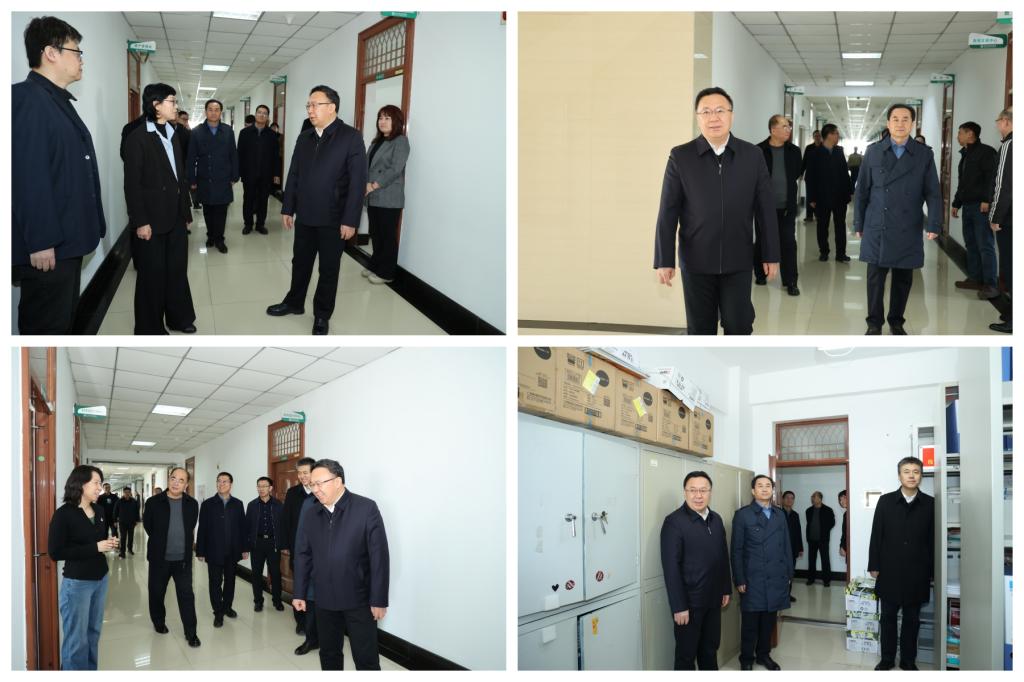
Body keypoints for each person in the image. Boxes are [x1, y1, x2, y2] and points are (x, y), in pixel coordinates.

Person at [654, 86, 779, 335]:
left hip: (738, 258)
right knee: (701, 329)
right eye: (706, 112)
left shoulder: (752, 155)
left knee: (739, 325)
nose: (714, 118)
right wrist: (664, 259)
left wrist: (771, 254)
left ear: (731, 115)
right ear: (697, 117)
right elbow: (668, 211)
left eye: (720, 110)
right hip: (696, 261)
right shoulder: (681, 157)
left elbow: (765, 209)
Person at [13, 16, 106, 334]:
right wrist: (40, 241)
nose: (81, 59)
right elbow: (27, 176)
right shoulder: (27, 99)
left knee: (62, 320)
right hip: (49, 248)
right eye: (76, 51)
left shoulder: (56, 100)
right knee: (46, 326)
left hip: (67, 240)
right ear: (51, 53)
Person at [267, 85, 368, 335]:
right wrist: (288, 207)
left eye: (315, 105)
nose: (310, 110)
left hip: (334, 218)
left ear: (331, 107)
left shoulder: (351, 137)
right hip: (305, 215)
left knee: (328, 269)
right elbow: (294, 173)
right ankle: (294, 302)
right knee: (300, 262)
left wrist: (350, 220)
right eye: (308, 105)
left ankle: (322, 314)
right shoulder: (305, 137)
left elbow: (357, 183)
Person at [293, 459, 390, 670]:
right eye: (312, 484)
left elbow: (379, 557)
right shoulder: (311, 513)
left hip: (359, 599)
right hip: (324, 598)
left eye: (320, 483)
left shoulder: (365, 508)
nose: (315, 489)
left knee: (366, 658)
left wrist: (379, 599)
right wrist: (299, 592)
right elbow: (303, 554)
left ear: (338, 481)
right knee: (329, 654)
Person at [854, 103, 942, 335]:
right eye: (895, 119)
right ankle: (874, 323)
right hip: (877, 224)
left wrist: (934, 223)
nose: (900, 123)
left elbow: (933, 192)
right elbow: (862, 191)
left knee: (903, 278)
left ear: (912, 124)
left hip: (908, 224)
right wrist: (858, 223)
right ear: (888, 123)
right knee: (875, 279)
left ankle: (896, 322)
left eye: (905, 119)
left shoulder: (924, 154)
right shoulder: (873, 151)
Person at [124, 82, 197, 335]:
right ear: (156, 105)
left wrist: (186, 211)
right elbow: (132, 185)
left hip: (175, 215)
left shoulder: (173, 133)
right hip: (151, 219)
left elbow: (179, 176)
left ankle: (179, 317)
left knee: (177, 270)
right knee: (152, 275)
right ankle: (149, 327)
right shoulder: (137, 138)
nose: (176, 106)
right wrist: (140, 221)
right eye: (172, 101)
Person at [660, 471, 731, 670]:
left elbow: (722, 557)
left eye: (703, 490)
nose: (698, 495)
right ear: (685, 492)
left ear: (710, 492)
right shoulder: (674, 522)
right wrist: (679, 606)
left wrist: (725, 588)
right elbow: (671, 568)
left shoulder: (716, 519)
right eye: (693, 490)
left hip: (713, 600)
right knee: (686, 656)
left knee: (710, 650)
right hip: (689, 604)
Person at [48, 465, 117, 670]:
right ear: (80, 484)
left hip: (100, 578)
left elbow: (97, 541)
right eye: (96, 483)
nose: (99, 488)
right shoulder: (63, 514)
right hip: (78, 584)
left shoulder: (99, 510)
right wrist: (95, 547)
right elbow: (56, 552)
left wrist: (108, 543)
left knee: (93, 633)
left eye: (100, 483)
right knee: (76, 640)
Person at [868, 457, 934, 671]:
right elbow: (876, 535)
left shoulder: (930, 504)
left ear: (921, 476)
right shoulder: (885, 501)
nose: (911, 475)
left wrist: (932, 570)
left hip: (917, 572)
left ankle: (908, 660)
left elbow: (933, 540)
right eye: (907, 471)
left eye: (916, 471)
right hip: (890, 570)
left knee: (912, 619)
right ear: (899, 475)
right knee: (887, 617)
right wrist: (874, 565)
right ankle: (887, 658)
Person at [730, 475, 791, 670]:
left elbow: (786, 547)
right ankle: (746, 659)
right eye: (760, 486)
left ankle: (763, 655)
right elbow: (736, 550)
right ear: (753, 491)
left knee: (768, 622)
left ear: (772, 490)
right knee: (750, 623)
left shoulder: (779, 514)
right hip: (752, 578)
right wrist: (739, 579)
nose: (764, 489)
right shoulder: (743, 515)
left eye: (768, 486)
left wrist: (788, 574)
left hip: (776, 577)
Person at [143, 467, 201, 647]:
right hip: (159, 559)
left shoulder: (192, 504)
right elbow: (148, 526)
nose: (176, 482)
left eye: (181, 480)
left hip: (183, 560)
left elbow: (190, 526)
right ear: (169, 479)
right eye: (173, 478)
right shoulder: (153, 502)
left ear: (186, 485)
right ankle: (158, 622)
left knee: (187, 596)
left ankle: (191, 633)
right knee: (156, 593)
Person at [951, 121, 1000, 299]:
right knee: (971, 243)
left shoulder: (986, 152)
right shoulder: (966, 154)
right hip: (968, 206)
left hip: (981, 207)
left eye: (960, 133)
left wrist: (987, 200)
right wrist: (956, 203)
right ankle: (975, 278)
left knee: (985, 245)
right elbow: (964, 183)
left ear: (970, 134)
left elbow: (992, 178)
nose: (958, 136)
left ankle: (991, 284)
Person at [755, 115, 802, 295]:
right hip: (763, 206)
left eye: (789, 126)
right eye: (784, 126)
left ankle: (791, 281)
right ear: (773, 129)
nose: (788, 129)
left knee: (788, 242)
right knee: (762, 240)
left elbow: (796, 173)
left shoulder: (794, 151)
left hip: (787, 206)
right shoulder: (758, 150)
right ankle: (760, 274)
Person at [364, 104, 411, 285]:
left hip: (388, 196)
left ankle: (386, 272)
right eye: (380, 118)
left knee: (387, 236)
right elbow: (368, 166)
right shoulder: (376, 141)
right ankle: (375, 265)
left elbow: (395, 169)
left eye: (387, 118)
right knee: (375, 234)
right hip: (372, 195)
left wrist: (374, 185)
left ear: (396, 121)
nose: (382, 122)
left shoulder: (401, 141)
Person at [186, 98, 239, 254]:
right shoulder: (197, 132)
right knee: (208, 210)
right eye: (210, 109)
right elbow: (191, 157)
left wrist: (234, 176)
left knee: (221, 210)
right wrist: (192, 179)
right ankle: (210, 235)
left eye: (216, 110)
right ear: (205, 112)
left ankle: (219, 239)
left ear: (220, 112)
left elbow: (233, 154)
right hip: (205, 177)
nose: (213, 112)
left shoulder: (228, 131)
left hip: (223, 177)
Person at [196, 472, 247, 628]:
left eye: (225, 481)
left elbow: (242, 528)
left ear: (231, 484)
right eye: (219, 481)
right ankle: (218, 612)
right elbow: (202, 528)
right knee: (215, 582)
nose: (221, 484)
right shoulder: (207, 504)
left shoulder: (238, 504)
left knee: (230, 582)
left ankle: (227, 607)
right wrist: (200, 551)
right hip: (213, 551)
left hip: (233, 551)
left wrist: (244, 548)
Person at [806, 123, 854, 262]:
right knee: (822, 226)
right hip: (822, 197)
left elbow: (845, 174)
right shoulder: (815, 154)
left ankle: (841, 253)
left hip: (839, 197)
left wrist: (849, 192)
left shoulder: (839, 152)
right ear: (829, 135)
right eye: (836, 133)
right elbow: (810, 178)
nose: (838, 136)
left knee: (840, 226)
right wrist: (811, 198)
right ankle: (824, 251)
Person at [282, 457, 317, 639]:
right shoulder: (293, 493)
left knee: (316, 588)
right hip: (298, 549)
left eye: (305, 472)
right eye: (299, 473)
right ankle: (300, 622)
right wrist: (286, 545)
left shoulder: (320, 492)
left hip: (318, 550)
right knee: (300, 585)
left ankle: (315, 623)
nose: (302, 476)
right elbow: (286, 519)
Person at [237, 104, 281, 236]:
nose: (262, 115)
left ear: (268, 117)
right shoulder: (245, 133)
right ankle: (248, 224)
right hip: (249, 173)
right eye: (259, 112)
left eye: (265, 113)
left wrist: (276, 174)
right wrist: (238, 173)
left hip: (266, 174)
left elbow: (276, 156)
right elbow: (239, 154)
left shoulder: (272, 135)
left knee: (263, 200)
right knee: (248, 200)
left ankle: (260, 224)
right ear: (255, 114)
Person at [246, 476, 285, 612]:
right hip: (257, 543)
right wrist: (247, 545)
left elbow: (283, 525)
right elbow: (247, 526)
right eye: (259, 486)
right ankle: (258, 601)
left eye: (264, 486)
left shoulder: (278, 504)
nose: (261, 489)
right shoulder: (252, 505)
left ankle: (277, 600)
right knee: (256, 574)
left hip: (273, 543)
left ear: (270, 488)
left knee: (275, 573)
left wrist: (283, 543)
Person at [989, 108, 1013, 333]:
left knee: (1011, 267)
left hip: (1009, 218)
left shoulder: (1009, 145)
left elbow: (1002, 185)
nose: (997, 125)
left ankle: (1014, 320)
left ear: (1006, 122)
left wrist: (995, 216)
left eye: (998, 120)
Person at [292, 489, 321, 656]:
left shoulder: (350, 505)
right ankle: (311, 640)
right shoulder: (308, 503)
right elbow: (301, 536)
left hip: (335, 569)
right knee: (311, 603)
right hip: (312, 564)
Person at [804, 491, 836, 586]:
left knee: (825, 560)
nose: (812, 498)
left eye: (814, 497)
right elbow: (809, 524)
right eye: (812, 497)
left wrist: (824, 530)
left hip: (823, 540)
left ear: (820, 498)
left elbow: (832, 523)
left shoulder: (828, 510)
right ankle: (811, 579)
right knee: (811, 560)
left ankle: (826, 580)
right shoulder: (808, 510)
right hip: (811, 540)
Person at [780, 490, 803, 603]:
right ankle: (780, 595)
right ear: (782, 499)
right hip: (780, 549)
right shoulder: (778, 513)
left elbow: (798, 532)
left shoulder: (795, 515)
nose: (789, 500)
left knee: (790, 572)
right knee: (780, 573)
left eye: (792, 498)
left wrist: (800, 548)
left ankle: (787, 595)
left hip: (793, 549)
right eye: (787, 498)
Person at [801, 129, 823, 221]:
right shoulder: (809, 148)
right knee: (809, 196)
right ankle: (809, 216)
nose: (817, 137)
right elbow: (804, 161)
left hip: (821, 177)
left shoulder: (824, 147)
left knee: (819, 196)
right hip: (810, 176)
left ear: (821, 137)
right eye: (816, 136)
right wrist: (801, 173)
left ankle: (818, 214)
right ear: (813, 137)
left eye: (819, 136)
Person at [114, 487, 140, 558]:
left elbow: (137, 511)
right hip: (122, 522)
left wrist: (137, 520)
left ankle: (130, 549)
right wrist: (115, 521)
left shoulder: (134, 501)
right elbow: (115, 511)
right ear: (123, 493)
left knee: (131, 537)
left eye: (128, 492)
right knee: (123, 537)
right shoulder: (119, 501)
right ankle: (122, 552)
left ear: (130, 493)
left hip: (131, 522)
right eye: (126, 492)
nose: (127, 494)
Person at [838, 489, 849, 564]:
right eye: (840, 499)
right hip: (847, 546)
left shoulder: (852, 513)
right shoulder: (846, 514)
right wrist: (842, 546)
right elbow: (844, 532)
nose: (842, 501)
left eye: (844, 498)